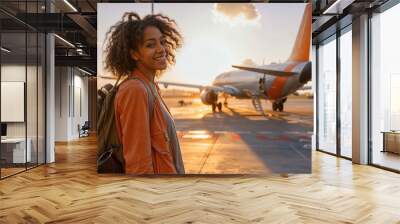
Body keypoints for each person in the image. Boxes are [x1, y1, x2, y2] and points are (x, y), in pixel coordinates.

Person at [103, 12, 185, 174]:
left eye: (162, 42)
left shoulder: (151, 87)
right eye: (150, 45)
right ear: (134, 54)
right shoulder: (135, 90)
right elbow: (138, 164)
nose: (161, 49)